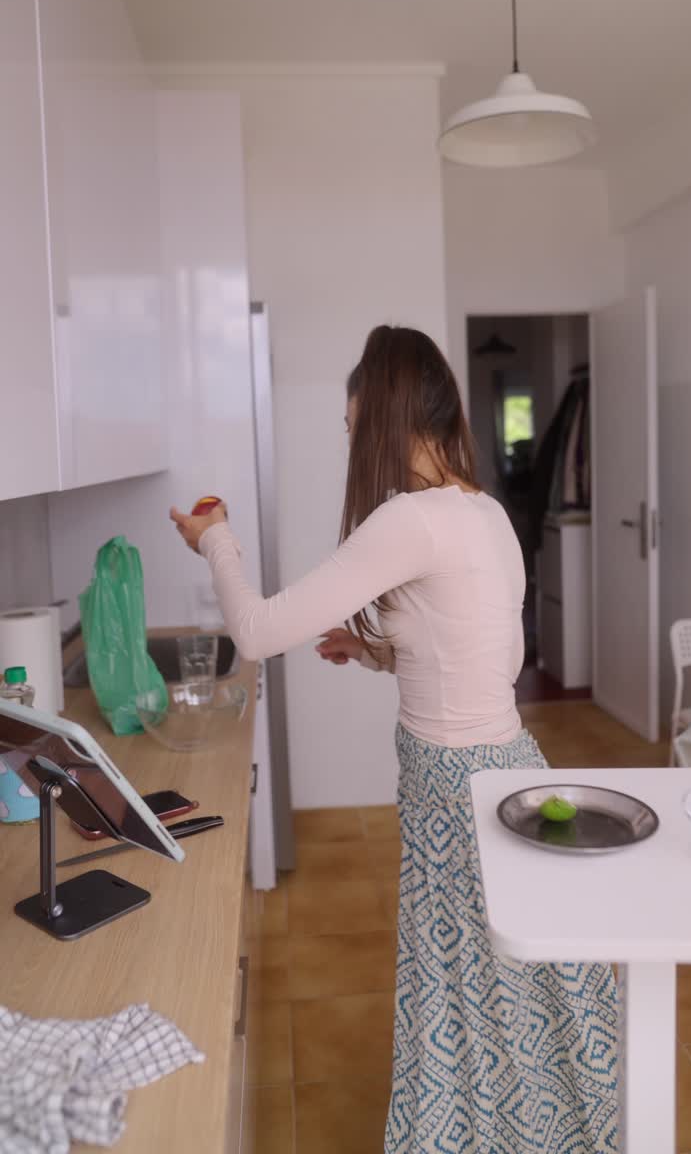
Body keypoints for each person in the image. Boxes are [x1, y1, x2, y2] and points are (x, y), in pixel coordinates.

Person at [171, 324, 617, 1154]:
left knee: (465, 997)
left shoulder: (409, 519)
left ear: (384, 417)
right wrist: (376, 650)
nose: (351, 445)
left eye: (353, 427)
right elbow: (475, 657)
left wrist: (216, 540)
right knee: (512, 998)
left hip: (454, 794)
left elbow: (258, 632)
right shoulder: (483, 511)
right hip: (505, 769)